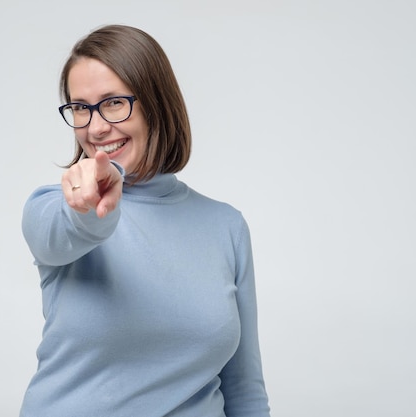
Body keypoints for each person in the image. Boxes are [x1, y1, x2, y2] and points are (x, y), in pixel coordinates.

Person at [20, 24, 271, 417]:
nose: (96, 126)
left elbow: (244, 388)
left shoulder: (226, 227)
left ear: (156, 102)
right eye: (80, 107)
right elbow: (70, 229)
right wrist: (94, 203)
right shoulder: (56, 206)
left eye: (114, 102)